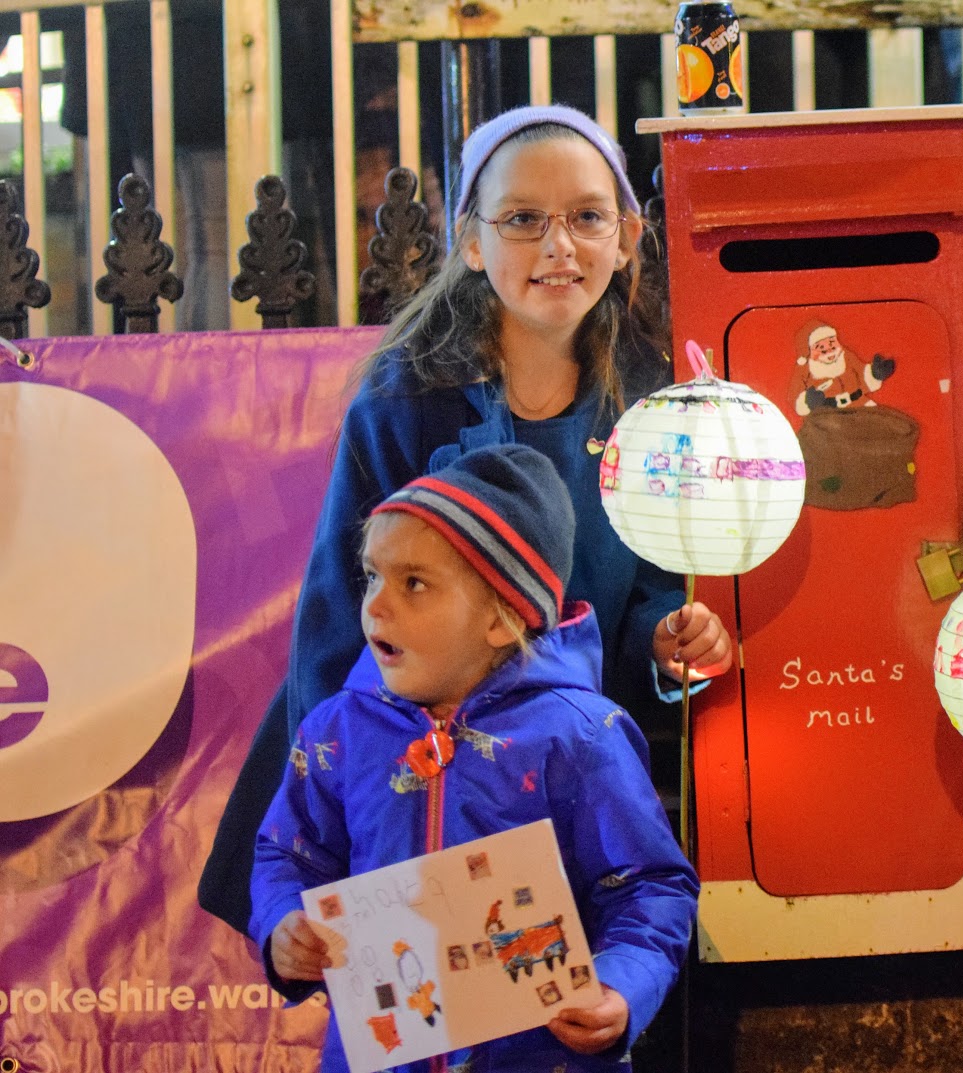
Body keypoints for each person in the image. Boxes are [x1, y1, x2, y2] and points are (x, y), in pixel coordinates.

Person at [202, 103, 733, 936]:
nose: (559, 246)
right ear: (473, 242)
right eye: (522, 219)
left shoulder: (657, 406)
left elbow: (653, 590)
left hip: (559, 768)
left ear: (628, 236)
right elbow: (340, 617)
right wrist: (349, 799)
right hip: (414, 772)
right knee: (414, 994)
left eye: (587, 217)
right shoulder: (401, 402)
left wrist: (668, 638)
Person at [252, 443, 698, 1071]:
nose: (376, 604)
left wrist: (621, 986)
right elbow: (287, 855)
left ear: (501, 617)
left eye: (414, 583)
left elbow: (650, 886)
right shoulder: (336, 732)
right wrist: (283, 925)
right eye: (373, 576)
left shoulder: (581, 735)